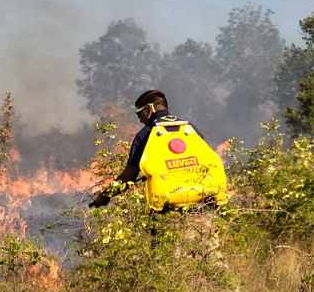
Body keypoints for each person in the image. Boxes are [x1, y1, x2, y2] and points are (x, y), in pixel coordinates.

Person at [88, 89, 228, 211]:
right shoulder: (189, 128)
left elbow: (129, 176)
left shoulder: (146, 134)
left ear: (149, 110)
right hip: (203, 204)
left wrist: (105, 196)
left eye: (140, 114)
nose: (140, 120)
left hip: (167, 211)